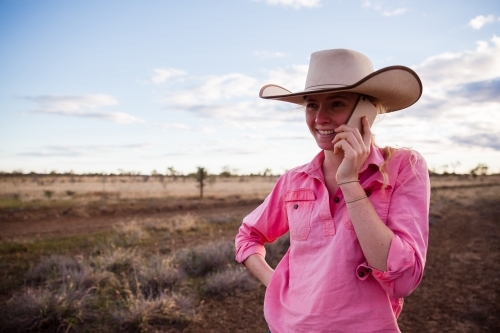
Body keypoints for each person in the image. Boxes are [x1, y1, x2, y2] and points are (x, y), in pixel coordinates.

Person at [235, 49, 430, 333]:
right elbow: (248, 236)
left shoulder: (402, 167)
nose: (320, 118)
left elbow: (403, 280)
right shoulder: (295, 179)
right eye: (312, 105)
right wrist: (277, 283)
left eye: (336, 103)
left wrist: (350, 181)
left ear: (368, 110)